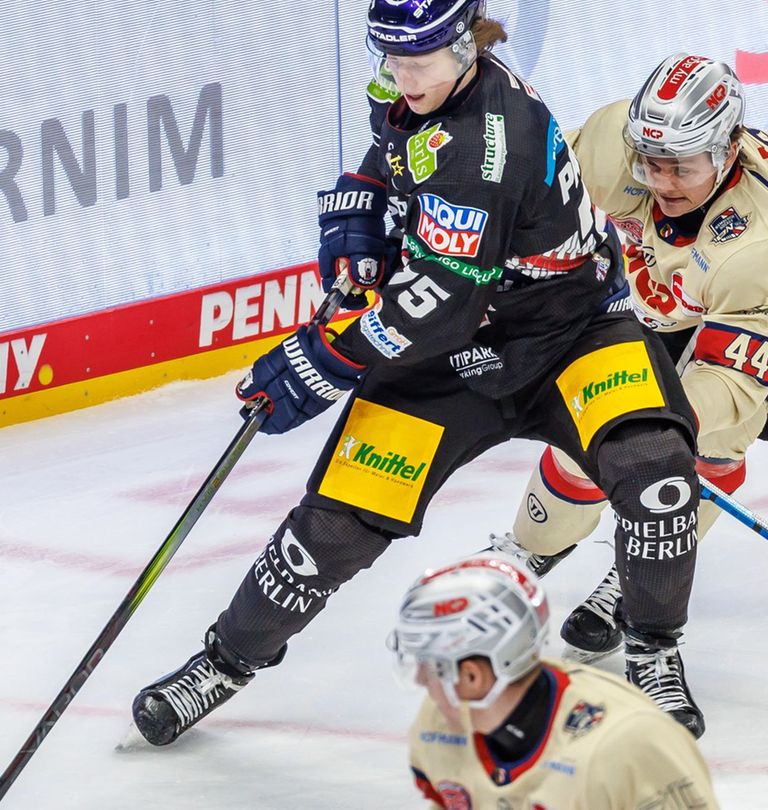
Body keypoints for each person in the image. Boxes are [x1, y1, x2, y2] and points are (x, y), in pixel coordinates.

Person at [130, 0, 709, 745]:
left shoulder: (486, 149)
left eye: (420, 60)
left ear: (467, 47)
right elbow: (390, 157)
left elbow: (439, 306)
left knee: (656, 472)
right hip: (452, 356)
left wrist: (321, 361)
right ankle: (223, 662)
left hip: (568, 334)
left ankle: (654, 648)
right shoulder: (411, 86)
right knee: (330, 532)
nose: (403, 77)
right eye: (392, 57)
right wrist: (356, 215)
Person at [493, 54, 768, 664]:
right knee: (589, 431)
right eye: (651, 162)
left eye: (682, 166)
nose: (662, 182)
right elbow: (525, 207)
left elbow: (730, 388)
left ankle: (638, 574)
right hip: (691, 284)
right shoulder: (613, 143)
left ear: (727, 152)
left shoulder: (762, 243)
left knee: (706, 440)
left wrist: (633, 420)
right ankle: (526, 553)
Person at [394, 554, 718, 808]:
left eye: (429, 663)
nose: (421, 679)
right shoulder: (438, 727)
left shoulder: (628, 747)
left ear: (472, 676)